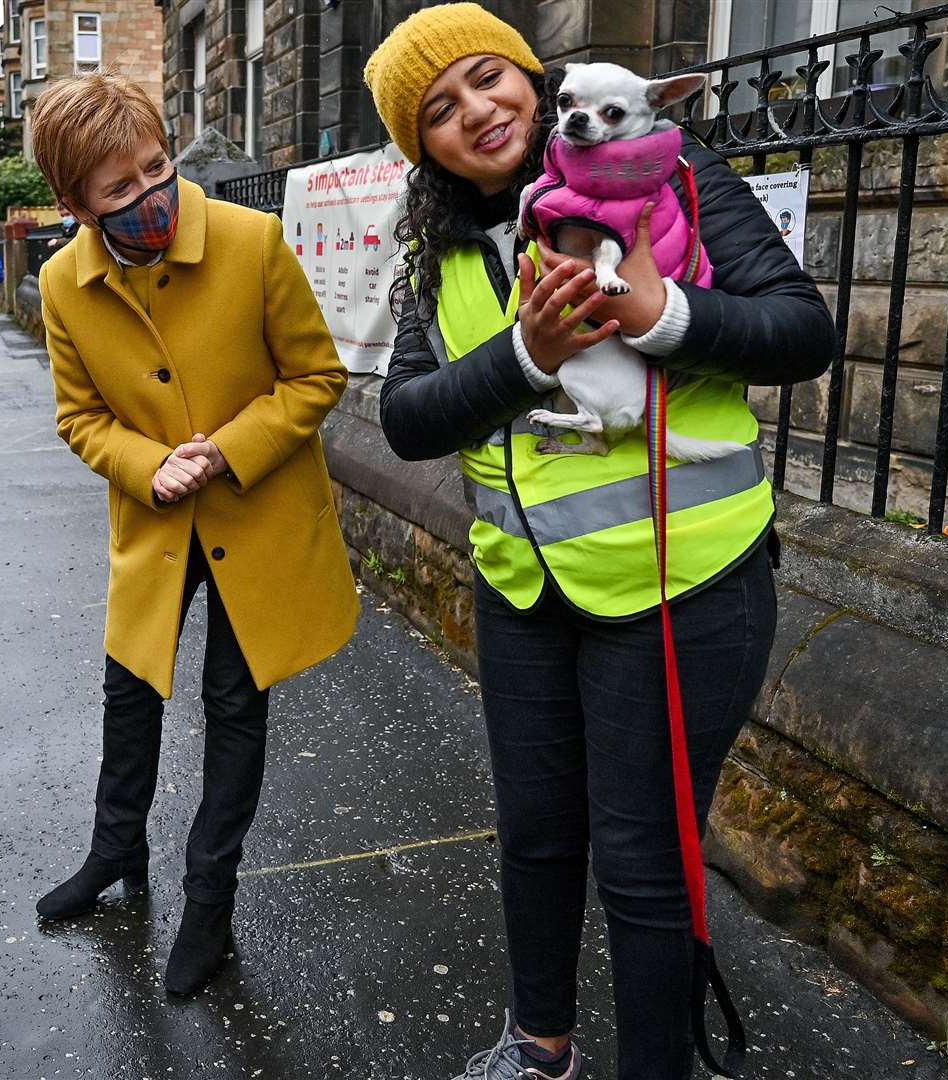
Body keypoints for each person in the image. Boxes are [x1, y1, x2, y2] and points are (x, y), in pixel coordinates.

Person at [363, 6, 834, 1078]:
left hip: (686, 585)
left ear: (536, 77)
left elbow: (803, 333)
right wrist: (527, 359)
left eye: (490, 78)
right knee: (534, 837)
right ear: (420, 145)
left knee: (641, 861)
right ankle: (540, 1050)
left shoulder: (673, 178)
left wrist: (666, 320)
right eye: (438, 109)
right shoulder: (439, 249)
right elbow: (407, 418)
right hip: (525, 591)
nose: (477, 110)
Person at [28, 73, 359, 997]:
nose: (149, 197)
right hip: (158, 526)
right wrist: (147, 464)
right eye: (118, 189)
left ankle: (208, 907)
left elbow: (314, 378)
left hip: (257, 517)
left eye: (157, 168)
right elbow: (80, 417)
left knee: (233, 708)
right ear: (74, 205)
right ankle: (113, 854)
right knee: (127, 693)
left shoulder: (252, 239)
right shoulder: (62, 281)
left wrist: (226, 450)